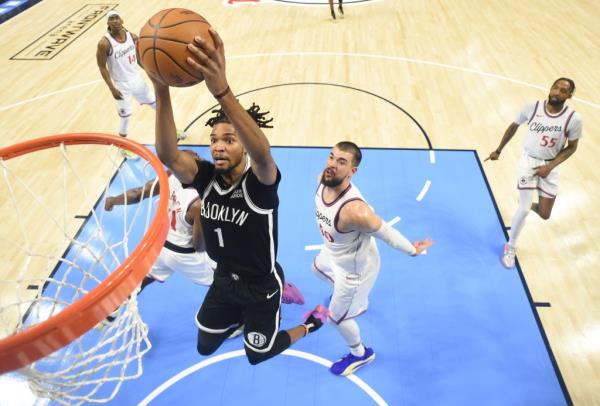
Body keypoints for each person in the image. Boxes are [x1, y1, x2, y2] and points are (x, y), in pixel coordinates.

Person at [149, 28, 322, 365]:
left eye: (229, 139)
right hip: (224, 280)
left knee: (258, 354)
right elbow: (169, 155)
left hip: (261, 288)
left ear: (243, 144)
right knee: (204, 345)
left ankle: (310, 324)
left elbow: (263, 154)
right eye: (214, 139)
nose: (218, 145)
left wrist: (222, 91)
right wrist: (161, 88)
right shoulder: (206, 178)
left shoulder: (259, 184)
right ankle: (248, 311)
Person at [104, 151, 305, 305]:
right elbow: (199, 245)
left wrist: (114, 200)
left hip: (161, 247)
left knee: (146, 277)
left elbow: (139, 192)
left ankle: (114, 307)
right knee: (230, 283)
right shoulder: (199, 202)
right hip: (187, 255)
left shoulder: (170, 176)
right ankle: (260, 306)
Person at [313, 141, 432, 376]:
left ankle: (360, 354)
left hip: (355, 270)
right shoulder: (322, 180)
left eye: (341, 162)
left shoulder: (356, 212)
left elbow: (387, 233)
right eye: (331, 157)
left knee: (336, 318)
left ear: (352, 171)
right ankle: (351, 301)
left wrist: (413, 250)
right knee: (317, 268)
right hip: (336, 253)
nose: (332, 165)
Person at [485, 78, 582, 269]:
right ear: (550, 87)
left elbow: (572, 147)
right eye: (555, 87)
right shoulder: (532, 107)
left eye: (563, 91)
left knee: (545, 214)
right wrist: (499, 150)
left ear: (569, 96)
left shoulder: (573, 119)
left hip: (550, 166)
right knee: (524, 207)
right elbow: (513, 126)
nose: (557, 92)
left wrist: (551, 166)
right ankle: (511, 246)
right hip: (528, 163)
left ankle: (528, 201)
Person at [96, 10, 186, 159]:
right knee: (125, 117)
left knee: (157, 105)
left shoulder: (131, 36)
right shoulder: (104, 43)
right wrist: (112, 88)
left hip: (137, 80)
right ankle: (122, 147)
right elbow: (101, 66)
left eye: (117, 17)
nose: (115, 21)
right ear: (108, 23)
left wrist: (150, 71)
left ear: (122, 19)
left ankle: (173, 130)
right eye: (111, 19)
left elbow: (138, 57)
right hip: (121, 85)